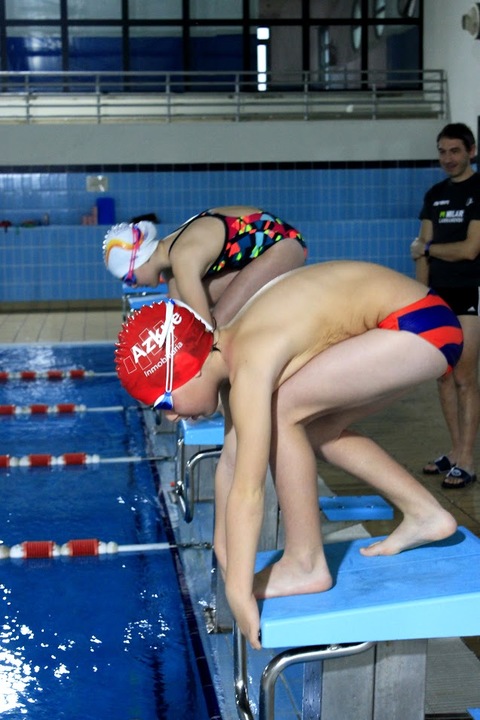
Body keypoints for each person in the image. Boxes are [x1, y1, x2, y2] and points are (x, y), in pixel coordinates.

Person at [115, 261, 463, 649]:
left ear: (188, 370)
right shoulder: (231, 350)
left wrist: (239, 592)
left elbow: (249, 491)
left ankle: (305, 562)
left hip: (417, 325)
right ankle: (425, 513)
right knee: (315, 430)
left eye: (164, 402)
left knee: (283, 411)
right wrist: (224, 553)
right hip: (425, 322)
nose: (171, 416)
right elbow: (229, 464)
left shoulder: (251, 362)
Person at [410, 123, 480, 489]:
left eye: (455, 151)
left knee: (465, 377)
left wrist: (428, 248)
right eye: (442, 151)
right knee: (444, 375)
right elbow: (420, 253)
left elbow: (470, 249)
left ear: (471, 151)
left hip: (470, 292)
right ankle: (454, 452)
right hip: (439, 295)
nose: (447, 158)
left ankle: (467, 459)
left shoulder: (478, 190)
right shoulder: (434, 195)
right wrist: (422, 300)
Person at [103, 206, 306, 325]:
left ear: (140, 259)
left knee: (217, 326)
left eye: (129, 278)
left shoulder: (183, 258)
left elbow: (205, 327)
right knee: (190, 311)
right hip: (260, 255)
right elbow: (180, 318)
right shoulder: (170, 258)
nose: (133, 285)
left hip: (283, 248)